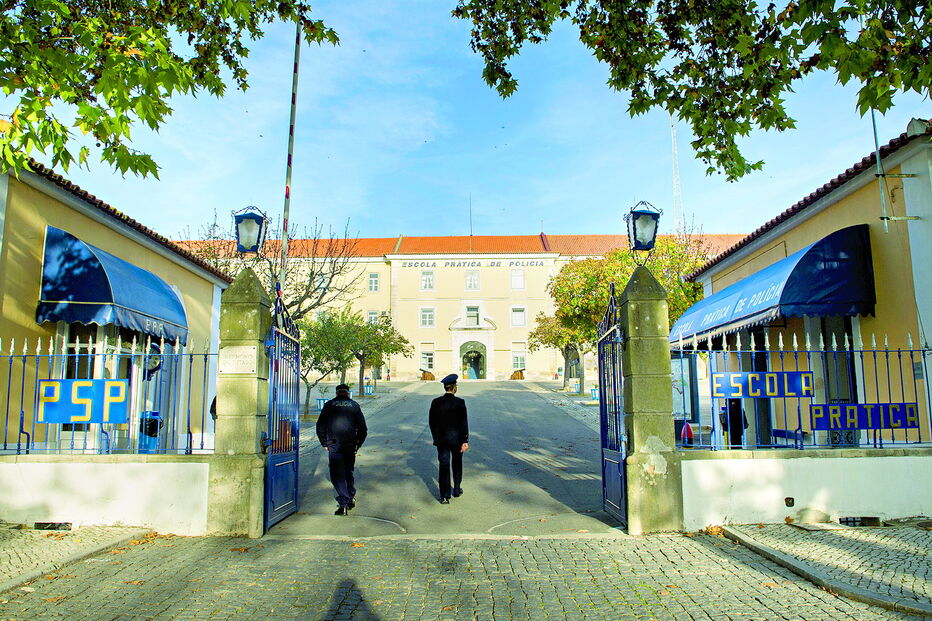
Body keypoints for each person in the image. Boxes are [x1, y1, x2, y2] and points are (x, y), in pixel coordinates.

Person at [316, 384, 368, 515]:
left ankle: (344, 502)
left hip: (334, 444)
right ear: (348, 393)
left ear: (336, 393)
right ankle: (350, 497)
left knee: (337, 474)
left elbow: (320, 425)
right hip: (350, 444)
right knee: (348, 471)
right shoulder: (354, 406)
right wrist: (358, 443)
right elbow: (363, 429)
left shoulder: (329, 405)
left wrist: (324, 442)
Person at [428, 373, 469, 504]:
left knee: (444, 466)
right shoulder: (460, 402)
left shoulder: (436, 402)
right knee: (457, 464)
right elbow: (464, 423)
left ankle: (444, 495)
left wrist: (436, 437)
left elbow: (432, 422)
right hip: (456, 440)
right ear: (454, 388)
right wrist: (465, 441)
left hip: (442, 440)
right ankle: (456, 489)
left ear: (446, 387)